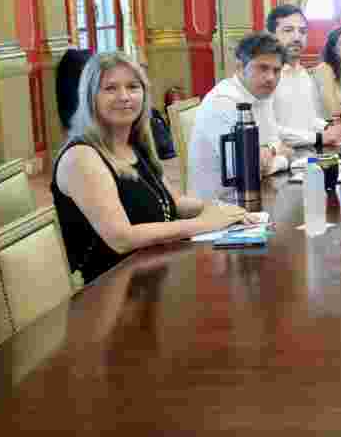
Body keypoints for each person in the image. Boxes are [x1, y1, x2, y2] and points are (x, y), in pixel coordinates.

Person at [52, 51, 251, 284]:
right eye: (110, 88)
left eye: (133, 87)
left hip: (152, 271)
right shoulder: (81, 157)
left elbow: (175, 203)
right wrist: (204, 223)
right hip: (109, 288)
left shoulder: (135, 144)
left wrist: (224, 210)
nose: (124, 96)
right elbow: (121, 238)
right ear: (89, 97)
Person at [185, 32, 295, 201]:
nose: (270, 78)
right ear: (239, 67)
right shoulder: (223, 101)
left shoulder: (261, 94)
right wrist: (280, 157)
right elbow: (246, 170)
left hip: (255, 193)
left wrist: (269, 152)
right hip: (219, 206)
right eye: (263, 68)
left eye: (276, 70)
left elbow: (275, 142)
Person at [266, 5, 341, 151]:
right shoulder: (265, 76)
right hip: (281, 156)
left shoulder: (303, 74)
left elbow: (307, 119)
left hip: (308, 153)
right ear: (271, 36)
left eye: (302, 31)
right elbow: (268, 130)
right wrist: (319, 137)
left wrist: (328, 127)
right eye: (288, 30)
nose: (297, 37)